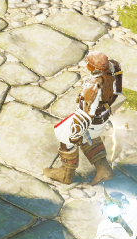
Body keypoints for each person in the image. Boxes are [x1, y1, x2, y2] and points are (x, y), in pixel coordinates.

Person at [46, 51, 122, 186]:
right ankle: (104, 170)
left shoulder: (93, 86)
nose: (87, 64)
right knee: (92, 139)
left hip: (91, 120)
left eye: (88, 62)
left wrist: (76, 134)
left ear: (92, 67)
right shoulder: (113, 70)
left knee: (66, 141)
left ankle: (65, 175)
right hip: (102, 117)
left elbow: (85, 115)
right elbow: (117, 92)